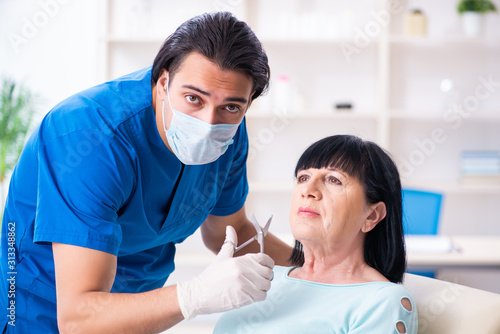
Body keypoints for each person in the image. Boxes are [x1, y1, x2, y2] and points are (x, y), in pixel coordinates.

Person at [0, 12, 292, 333]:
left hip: (137, 310)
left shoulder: (228, 128)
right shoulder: (89, 138)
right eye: (193, 99)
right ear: (163, 83)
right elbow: (79, 317)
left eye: (232, 107)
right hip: (42, 310)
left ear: (248, 103)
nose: (209, 123)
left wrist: (315, 260)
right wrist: (194, 295)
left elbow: (230, 230)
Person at [214, 135, 418, 334]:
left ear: (371, 216)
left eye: (334, 180)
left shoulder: (382, 302)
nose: (308, 190)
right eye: (303, 177)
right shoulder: (264, 277)